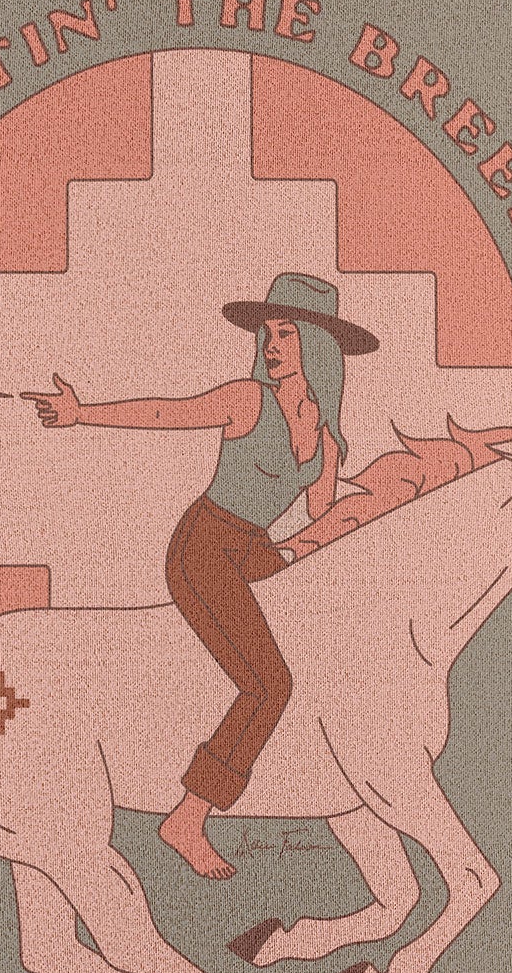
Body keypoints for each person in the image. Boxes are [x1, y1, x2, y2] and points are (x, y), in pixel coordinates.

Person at [23, 273, 379, 880]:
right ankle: (188, 816)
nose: (271, 345)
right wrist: (81, 414)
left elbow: (322, 516)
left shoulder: (327, 441)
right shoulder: (248, 399)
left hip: (255, 549)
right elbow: (171, 412)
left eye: (286, 333)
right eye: (267, 333)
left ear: (318, 345)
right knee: (270, 684)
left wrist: (376, 514)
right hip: (205, 545)